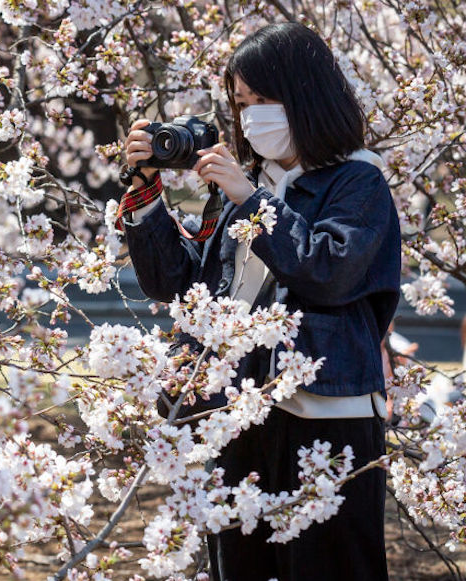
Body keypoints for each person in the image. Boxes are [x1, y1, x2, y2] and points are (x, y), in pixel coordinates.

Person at [118, 23, 400, 581]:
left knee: (330, 565)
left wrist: (251, 200)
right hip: (238, 405)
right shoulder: (250, 181)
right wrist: (146, 194)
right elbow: (184, 285)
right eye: (242, 103)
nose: (250, 118)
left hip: (325, 412)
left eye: (264, 100)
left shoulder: (358, 181)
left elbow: (328, 272)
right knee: (239, 563)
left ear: (305, 95)